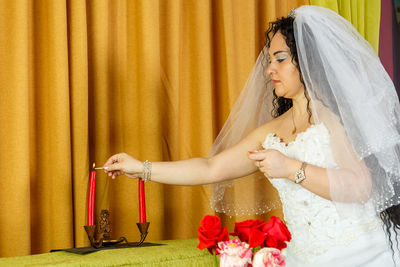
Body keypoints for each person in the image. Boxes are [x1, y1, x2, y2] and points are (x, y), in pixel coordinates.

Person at [103, 6, 400, 266]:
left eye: (280, 59)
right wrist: (141, 168)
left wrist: (291, 169)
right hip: (305, 259)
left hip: (363, 255)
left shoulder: (336, 119)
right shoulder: (270, 132)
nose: (270, 69)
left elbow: (361, 187)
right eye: (269, 60)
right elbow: (211, 168)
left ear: (309, 60)